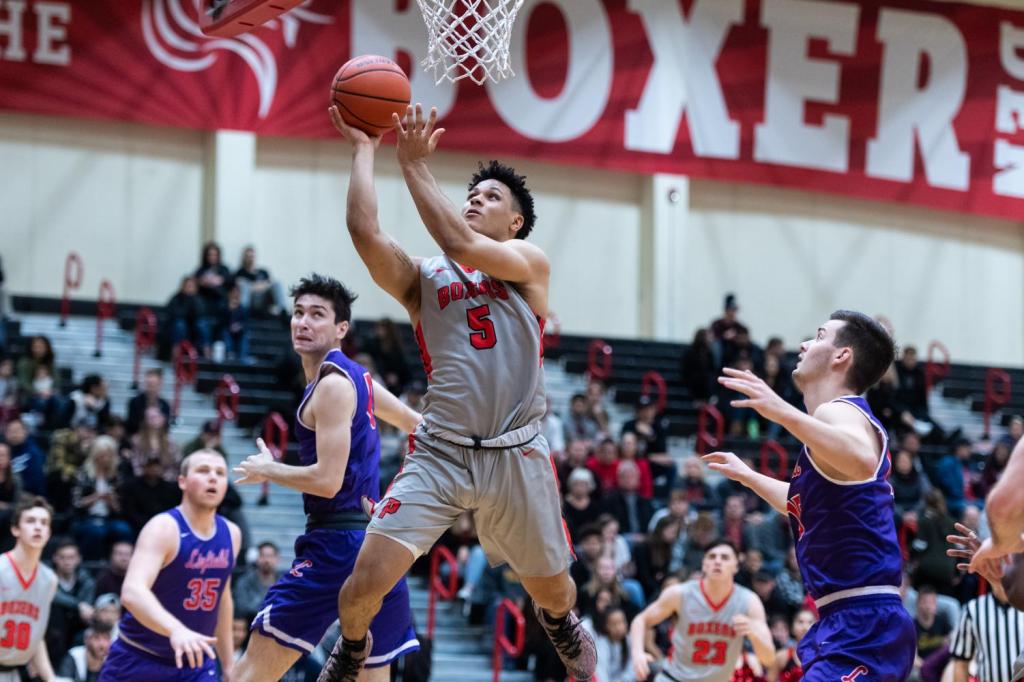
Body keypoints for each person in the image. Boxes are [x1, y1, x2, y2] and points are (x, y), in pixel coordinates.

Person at [323, 102, 595, 681]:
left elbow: (463, 243)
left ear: (516, 224)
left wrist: (415, 166)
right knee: (357, 591)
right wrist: (365, 151)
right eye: (473, 193)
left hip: (515, 452)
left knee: (556, 592)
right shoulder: (425, 278)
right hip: (440, 452)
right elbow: (364, 232)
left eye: (492, 197)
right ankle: (350, 649)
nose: (477, 200)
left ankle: (557, 619)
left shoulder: (527, 264)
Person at [703, 311, 915, 681]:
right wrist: (749, 476)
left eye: (818, 337)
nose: (803, 345)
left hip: (864, 621)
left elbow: (862, 456)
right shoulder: (828, 430)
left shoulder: (841, 412)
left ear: (841, 356)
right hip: (848, 620)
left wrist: (780, 410)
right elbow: (802, 506)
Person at [230, 275, 422, 682]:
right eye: (298, 313)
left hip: (337, 546)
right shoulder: (360, 379)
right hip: (378, 545)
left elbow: (328, 482)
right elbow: (416, 424)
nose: (303, 322)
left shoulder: (333, 387)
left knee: (250, 672)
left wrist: (269, 469)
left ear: (341, 329)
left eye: (317, 314)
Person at [98, 450, 241, 681]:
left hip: (196, 665)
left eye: (220, 473)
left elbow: (222, 600)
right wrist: (176, 629)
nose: (213, 477)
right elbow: (132, 591)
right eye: (203, 471)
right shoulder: (163, 528)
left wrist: (229, 664)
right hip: (140, 658)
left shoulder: (232, 534)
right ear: (182, 481)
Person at [628, 540, 775, 681]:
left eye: (725, 557)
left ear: (736, 566)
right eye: (712, 557)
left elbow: (768, 659)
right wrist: (637, 653)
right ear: (704, 564)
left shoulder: (749, 601)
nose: (717, 561)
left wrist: (754, 634)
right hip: (675, 678)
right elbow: (641, 620)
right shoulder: (680, 593)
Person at [0, 497, 59, 682]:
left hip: (16, 673)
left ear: (49, 533)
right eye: (31, 521)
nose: (38, 527)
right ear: (15, 529)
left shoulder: (49, 580)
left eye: (44, 523)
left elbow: (37, 637)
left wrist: (50, 678)